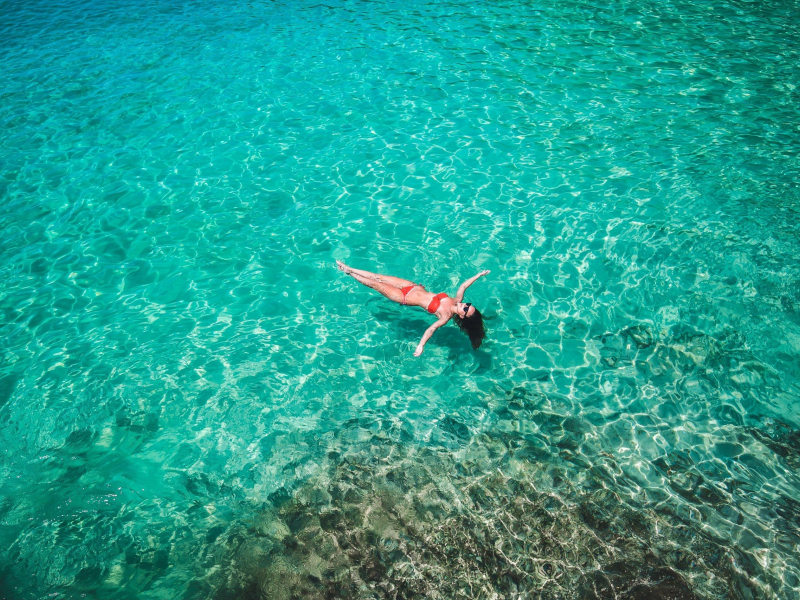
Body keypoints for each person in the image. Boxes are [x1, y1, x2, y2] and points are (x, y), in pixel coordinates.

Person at [336, 260, 489, 356]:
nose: (465, 305)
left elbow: (430, 330)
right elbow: (463, 285)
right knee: (378, 276)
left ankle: (349, 273)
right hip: (411, 286)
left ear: (462, 316)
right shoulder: (457, 299)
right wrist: (479, 275)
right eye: (468, 305)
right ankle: (350, 268)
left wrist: (421, 346)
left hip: (403, 297)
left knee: (375, 284)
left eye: (465, 309)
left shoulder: (445, 316)